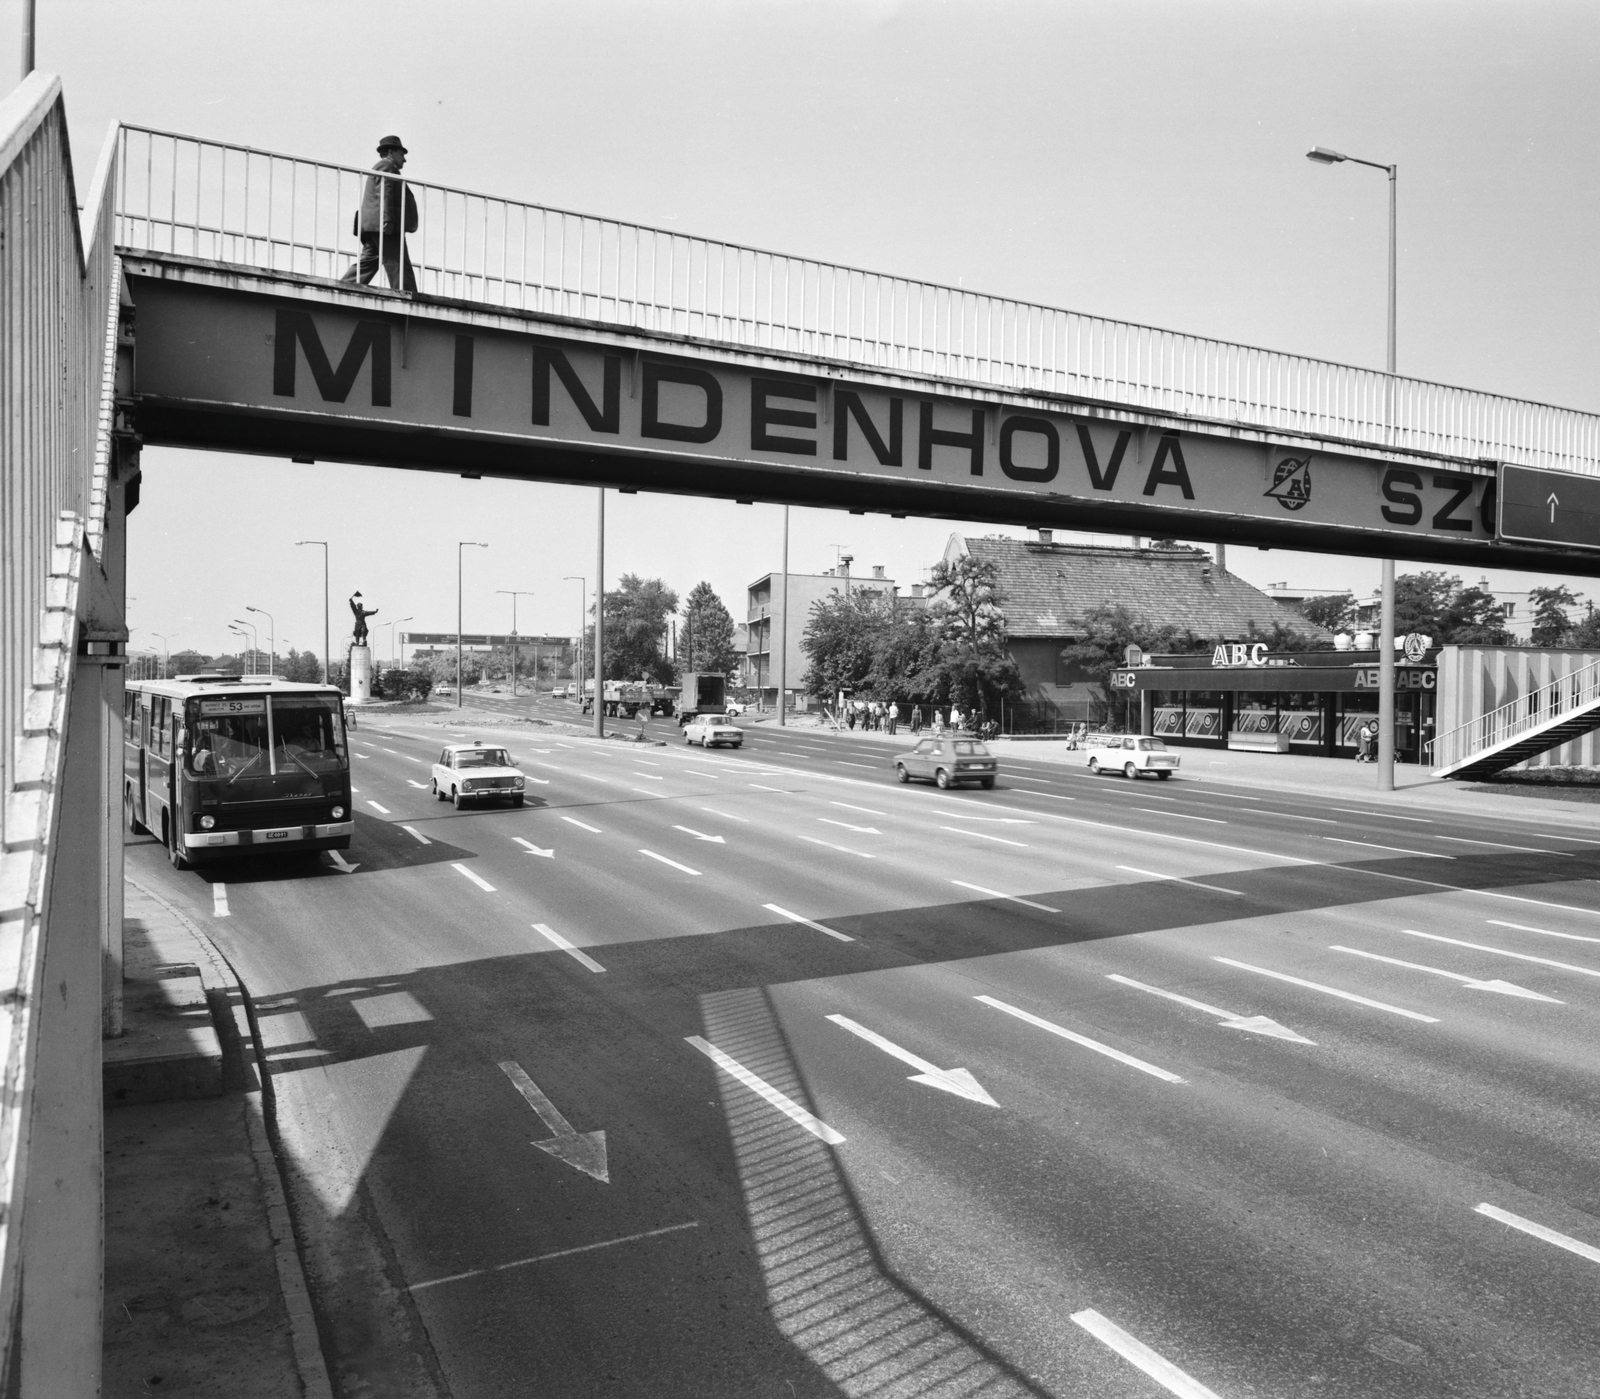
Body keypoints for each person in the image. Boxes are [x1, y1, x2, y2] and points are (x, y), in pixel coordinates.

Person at [342, 135, 418, 292]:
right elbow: (386, 193)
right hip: (384, 226)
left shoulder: (381, 167)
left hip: (373, 226)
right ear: (391, 152)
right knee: (399, 264)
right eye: (402, 154)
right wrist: (388, 220)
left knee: (369, 261)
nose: (404, 160)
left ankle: (343, 286)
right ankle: (409, 298)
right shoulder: (387, 168)